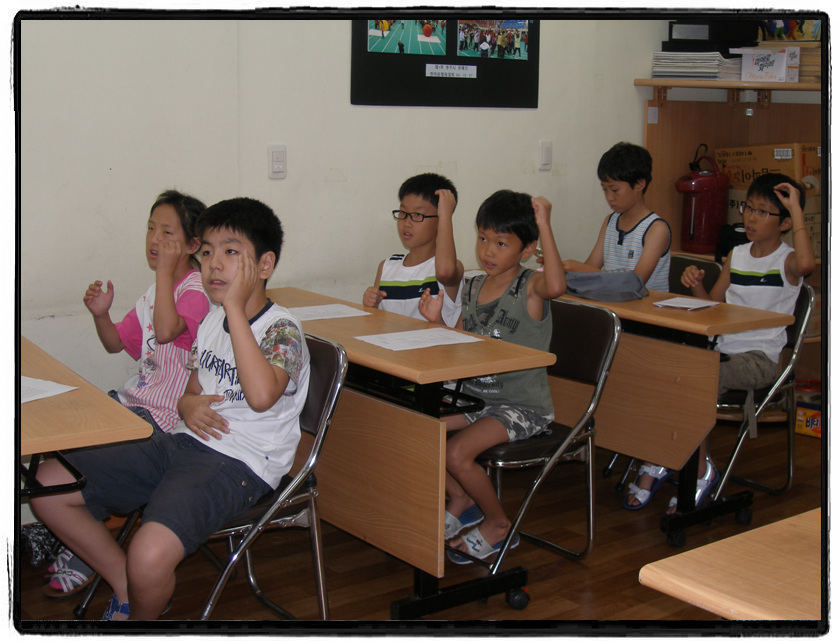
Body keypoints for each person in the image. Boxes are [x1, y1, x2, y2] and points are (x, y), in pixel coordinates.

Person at [31, 197, 310, 620]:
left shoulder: (282, 329)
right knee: (48, 485)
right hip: (182, 443)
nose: (214, 264)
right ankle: (126, 587)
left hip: (240, 464)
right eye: (208, 252)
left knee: (148, 553)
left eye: (230, 252)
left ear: (265, 264)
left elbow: (260, 396)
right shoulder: (214, 321)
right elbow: (190, 392)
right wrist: (188, 405)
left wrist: (235, 309)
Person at [44, 190, 210, 599]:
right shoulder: (155, 291)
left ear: (193, 244)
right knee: (58, 443)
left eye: (167, 232)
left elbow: (167, 331)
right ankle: (88, 542)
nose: (154, 240)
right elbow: (116, 343)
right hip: (130, 406)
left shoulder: (197, 291)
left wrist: (165, 275)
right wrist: (101, 314)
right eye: (151, 229)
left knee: (60, 476)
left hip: (162, 425)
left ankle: (93, 556)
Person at [627, 173, 816, 512]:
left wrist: (798, 209)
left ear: (786, 222)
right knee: (663, 371)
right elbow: (713, 309)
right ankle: (666, 457)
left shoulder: (787, 262)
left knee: (694, 381)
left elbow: (806, 264)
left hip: (759, 359)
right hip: (721, 351)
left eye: (763, 212)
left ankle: (697, 470)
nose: (751, 218)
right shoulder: (736, 255)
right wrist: (696, 285)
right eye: (749, 208)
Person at [419, 190, 566, 564]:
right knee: (419, 429)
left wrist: (545, 223)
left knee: (456, 453)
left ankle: (499, 524)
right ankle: (461, 498)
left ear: (527, 248)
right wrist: (436, 321)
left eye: (501, 243)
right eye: (483, 238)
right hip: (478, 401)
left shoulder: (529, 288)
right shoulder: (472, 286)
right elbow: (459, 341)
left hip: (521, 406)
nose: (488, 251)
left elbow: (557, 286)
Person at [563, 142, 671, 291]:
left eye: (615, 190)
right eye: (604, 190)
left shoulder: (656, 229)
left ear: (640, 184)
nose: (609, 197)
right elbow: (591, 266)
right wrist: (562, 267)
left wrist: (578, 268)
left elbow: (634, 284)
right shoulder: (610, 221)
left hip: (645, 304)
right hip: (613, 302)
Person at [363, 173, 464, 327]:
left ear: (440, 220)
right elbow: (375, 326)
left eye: (417, 215)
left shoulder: (449, 268)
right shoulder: (387, 267)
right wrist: (371, 306)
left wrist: (446, 215)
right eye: (403, 213)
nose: (407, 223)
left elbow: (445, 272)